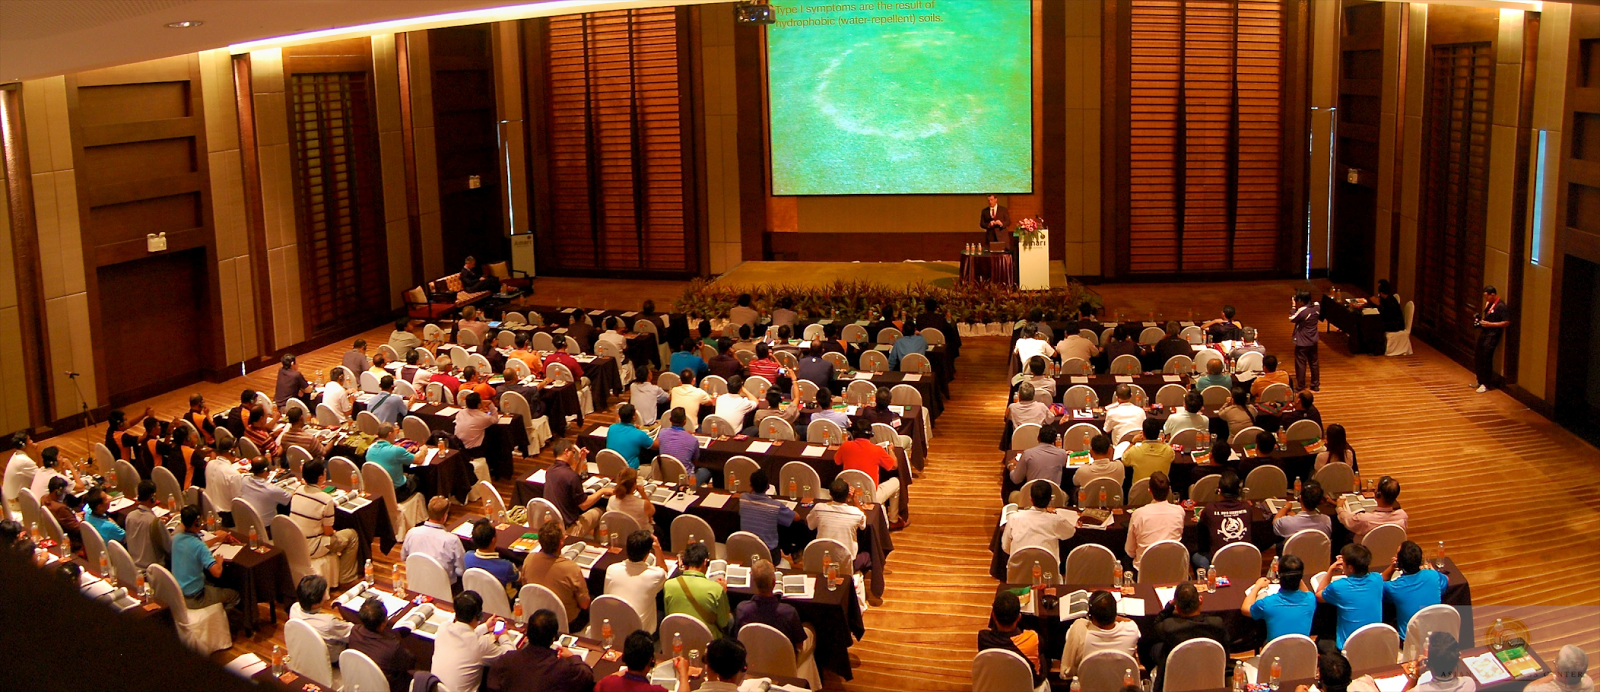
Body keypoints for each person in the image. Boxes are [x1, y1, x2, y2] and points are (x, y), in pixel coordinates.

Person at [289, 460, 362, 585]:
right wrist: (334, 532)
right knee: (352, 535)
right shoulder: (325, 499)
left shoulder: (298, 490)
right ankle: (346, 577)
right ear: (321, 477)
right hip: (313, 547)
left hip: (295, 542)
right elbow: (328, 532)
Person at [486, 608, 594, 692]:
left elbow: (492, 686)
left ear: (527, 634)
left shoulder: (506, 659)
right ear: (553, 638)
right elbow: (587, 676)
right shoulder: (562, 668)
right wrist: (572, 657)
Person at [171, 505, 242, 622]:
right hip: (196, 597)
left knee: (213, 585)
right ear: (197, 522)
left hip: (179, 594)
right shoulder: (199, 546)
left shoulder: (176, 539)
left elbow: (196, 547)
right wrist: (219, 562)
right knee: (234, 595)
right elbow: (217, 572)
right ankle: (222, 624)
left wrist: (217, 538)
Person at [431, 590, 512, 692]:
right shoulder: (480, 644)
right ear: (478, 615)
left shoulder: (443, 628)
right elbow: (510, 657)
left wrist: (485, 627)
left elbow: (465, 635)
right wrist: (503, 636)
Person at [1150, 582, 1227, 686]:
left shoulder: (1169, 627)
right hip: (1210, 677)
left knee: (1154, 648)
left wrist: (1169, 606)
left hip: (1177, 679)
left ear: (1177, 607)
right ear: (1201, 600)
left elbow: (1156, 625)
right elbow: (1226, 653)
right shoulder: (1217, 624)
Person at [522, 519, 591, 632]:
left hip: (536, 615)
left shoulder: (529, 559)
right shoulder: (572, 569)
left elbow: (525, 586)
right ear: (561, 542)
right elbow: (584, 604)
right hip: (567, 623)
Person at [1059, 590, 1140, 679]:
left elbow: (1069, 639)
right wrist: (1110, 614)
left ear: (1091, 615)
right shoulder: (1131, 630)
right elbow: (1129, 621)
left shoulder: (1079, 631)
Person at [836, 421, 904, 526]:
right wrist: (891, 450)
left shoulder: (845, 446)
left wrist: (844, 443)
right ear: (870, 435)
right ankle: (893, 520)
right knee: (896, 482)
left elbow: (837, 461)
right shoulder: (877, 450)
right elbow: (894, 465)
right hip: (871, 496)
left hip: (848, 494)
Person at [1316, 543, 1384, 648]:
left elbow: (1319, 595)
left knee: (1322, 641)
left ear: (1351, 568)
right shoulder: (1378, 579)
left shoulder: (1338, 587)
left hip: (1349, 647)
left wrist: (1330, 570)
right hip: (1374, 643)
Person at [730, 558, 806, 651]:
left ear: (754, 582)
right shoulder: (789, 613)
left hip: (753, 657)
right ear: (774, 583)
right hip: (783, 661)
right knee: (810, 630)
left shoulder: (742, 610)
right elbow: (799, 646)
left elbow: (738, 639)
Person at [977, 590, 1047, 689]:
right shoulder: (1033, 639)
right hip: (1028, 685)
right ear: (1019, 617)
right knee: (1042, 655)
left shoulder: (983, 638)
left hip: (997, 683)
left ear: (993, 616)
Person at [348, 596, 417, 692]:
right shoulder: (392, 647)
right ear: (382, 624)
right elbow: (409, 663)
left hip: (362, 682)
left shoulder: (354, 631)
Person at [604, 529, 669, 629]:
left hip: (614, 627)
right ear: (647, 554)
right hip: (640, 633)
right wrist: (658, 548)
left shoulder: (611, 569)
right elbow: (664, 570)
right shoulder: (656, 574)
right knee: (663, 612)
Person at [1382, 541, 1448, 640]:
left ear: (1400, 563)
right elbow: (1447, 580)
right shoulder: (1433, 575)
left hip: (1410, 643)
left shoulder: (1395, 587)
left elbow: (1378, 584)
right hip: (1436, 638)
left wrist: (1392, 568)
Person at [545, 440, 611, 537]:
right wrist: (602, 491)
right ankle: (598, 543)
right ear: (566, 452)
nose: (574, 455)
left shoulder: (550, 471)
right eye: (573, 452)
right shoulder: (570, 476)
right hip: (569, 530)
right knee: (601, 510)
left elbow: (571, 479)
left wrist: (581, 460)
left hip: (555, 525)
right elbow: (584, 505)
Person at [664, 542, 731, 635]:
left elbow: (669, 616)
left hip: (678, 637)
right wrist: (723, 592)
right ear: (705, 562)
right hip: (707, 640)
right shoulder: (716, 589)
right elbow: (723, 622)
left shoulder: (668, 585)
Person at [1002, 480, 1079, 562]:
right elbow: (1070, 532)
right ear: (1050, 499)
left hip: (1018, 569)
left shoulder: (1013, 518)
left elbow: (1006, 547)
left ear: (1030, 499)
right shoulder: (1056, 520)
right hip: (1048, 571)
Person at [1242, 554, 1314, 640]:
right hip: (1302, 651)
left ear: (1280, 576)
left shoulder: (1267, 603)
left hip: (1275, 652)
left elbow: (1245, 609)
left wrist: (1257, 586)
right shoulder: (1310, 599)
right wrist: (1294, 574)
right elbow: (1305, 591)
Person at [595, 630, 690, 692]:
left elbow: (599, 685)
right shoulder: (656, 691)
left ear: (624, 658)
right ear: (651, 661)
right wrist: (683, 673)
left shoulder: (607, 683)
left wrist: (627, 669)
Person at [807, 478, 868, 572]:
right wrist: (855, 499)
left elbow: (810, 526)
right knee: (868, 555)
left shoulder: (818, 508)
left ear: (830, 494)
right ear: (848, 495)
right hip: (847, 562)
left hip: (823, 558)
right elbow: (863, 524)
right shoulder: (856, 513)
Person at [1126, 472, 1184, 570]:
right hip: (1172, 569)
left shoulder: (1138, 514)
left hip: (1144, 570)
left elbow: (1130, 551)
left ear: (1149, 491)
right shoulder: (1179, 511)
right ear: (1169, 490)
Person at [402, 496, 467, 583]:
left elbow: (404, 557)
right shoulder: (452, 540)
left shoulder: (411, 533)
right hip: (445, 587)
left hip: (417, 583)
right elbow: (461, 570)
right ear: (445, 516)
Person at [1195, 469, 1252, 567]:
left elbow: (1202, 526)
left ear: (1219, 491)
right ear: (1239, 491)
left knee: (1195, 555)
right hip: (1245, 562)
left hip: (1219, 564)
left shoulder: (1210, 509)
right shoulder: (1247, 507)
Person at [289, 574, 353, 657]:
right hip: (333, 659)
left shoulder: (294, 608)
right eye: (324, 592)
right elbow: (352, 633)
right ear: (315, 604)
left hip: (307, 655)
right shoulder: (329, 623)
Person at [738, 470, 795, 556]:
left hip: (747, 552)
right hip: (769, 554)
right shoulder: (775, 506)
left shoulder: (743, 499)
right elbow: (796, 517)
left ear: (750, 485)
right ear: (768, 487)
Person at [1007, 423, 1067, 503]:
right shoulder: (1062, 454)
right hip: (1053, 498)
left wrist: (1011, 465)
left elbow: (1016, 479)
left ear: (1038, 438)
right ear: (1055, 440)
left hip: (1031, 498)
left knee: (1013, 495)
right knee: (1065, 496)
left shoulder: (1028, 454)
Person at [1338, 476, 1408, 541]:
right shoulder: (1403, 516)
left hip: (1365, 552)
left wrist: (1339, 507)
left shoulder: (1364, 519)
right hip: (1391, 552)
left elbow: (1346, 520)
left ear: (1378, 494)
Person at [1404, 632, 1476, 692]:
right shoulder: (1469, 684)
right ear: (1458, 659)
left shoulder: (1419, 690)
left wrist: (1416, 676)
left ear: (1428, 664)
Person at [1472, 286, 1512, 392]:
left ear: (1493, 295)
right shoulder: (1489, 304)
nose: (1486, 299)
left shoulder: (1501, 306)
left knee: (1486, 357)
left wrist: (1490, 324)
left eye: (1487, 296)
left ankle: (1486, 383)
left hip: (1493, 335)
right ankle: (1480, 380)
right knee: (1478, 355)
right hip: (1484, 333)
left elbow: (1506, 322)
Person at [655, 408, 709, 485]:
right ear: (685, 421)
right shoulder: (693, 440)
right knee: (705, 471)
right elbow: (695, 462)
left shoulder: (662, 433)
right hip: (686, 481)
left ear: (670, 419)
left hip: (666, 476)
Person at [124, 480, 171, 569]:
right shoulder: (154, 522)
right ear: (152, 497)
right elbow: (169, 548)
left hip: (133, 567)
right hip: (153, 570)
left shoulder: (129, 516)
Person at [366, 424, 418, 501]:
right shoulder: (396, 450)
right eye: (394, 433)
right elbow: (419, 460)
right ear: (390, 434)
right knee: (418, 477)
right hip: (398, 493)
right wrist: (424, 450)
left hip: (378, 491)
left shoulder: (369, 450)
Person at [465, 519, 519, 592]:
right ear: (494, 540)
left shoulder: (467, 557)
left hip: (476, 597)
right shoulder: (507, 567)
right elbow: (519, 578)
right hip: (502, 601)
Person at [1122, 418, 1175, 484]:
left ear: (1143, 433)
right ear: (1158, 433)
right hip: (1161, 492)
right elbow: (1172, 458)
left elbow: (1124, 459)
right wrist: (1160, 442)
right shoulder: (1168, 450)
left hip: (1139, 492)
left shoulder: (1133, 451)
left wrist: (1132, 442)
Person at [239, 457, 291, 523]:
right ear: (266, 470)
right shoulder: (272, 490)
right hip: (266, 525)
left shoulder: (244, 480)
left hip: (247, 521)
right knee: (284, 504)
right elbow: (289, 498)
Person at [1289, 290, 1321, 391]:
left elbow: (1291, 318)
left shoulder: (1303, 311)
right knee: (1314, 362)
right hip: (1313, 340)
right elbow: (1316, 302)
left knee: (1301, 363)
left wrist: (1293, 306)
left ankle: (1300, 386)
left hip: (1302, 342)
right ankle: (1315, 384)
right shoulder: (1317, 307)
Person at [42, 476, 85, 552]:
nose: (65, 494)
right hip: (73, 541)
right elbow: (78, 529)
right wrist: (84, 521)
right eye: (65, 492)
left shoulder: (44, 499)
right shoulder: (61, 508)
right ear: (57, 492)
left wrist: (74, 515)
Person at [1526, 646, 1594, 692]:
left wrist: (1552, 676)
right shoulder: (1588, 684)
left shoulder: (1544, 689)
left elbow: (1528, 689)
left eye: (1556, 663)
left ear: (1563, 676)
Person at [608, 467, 656, 531]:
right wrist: (643, 494)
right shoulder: (643, 504)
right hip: (640, 537)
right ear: (634, 485)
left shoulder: (611, 500)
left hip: (620, 534)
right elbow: (652, 511)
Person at [3, 432, 39, 510]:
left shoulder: (17, 455)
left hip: (10, 501)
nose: (32, 442)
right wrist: (37, 453)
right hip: (16, 504)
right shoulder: (23, 461)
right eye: (29, 440)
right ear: (23, 445)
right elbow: (41, 476)